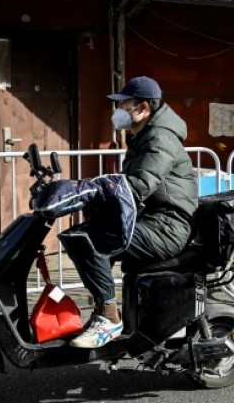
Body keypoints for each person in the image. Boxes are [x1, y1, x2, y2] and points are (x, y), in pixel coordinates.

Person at [62, 76, 198, 348]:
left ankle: (109, 318)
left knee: (90, 241)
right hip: (152, 220)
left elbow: (138, 186)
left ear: (143, 107)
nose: (118, 111)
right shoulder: (143, 136)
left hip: (168, 227)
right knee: (81, 236)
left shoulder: (160, 138)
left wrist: (97, 194)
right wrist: (88, 194)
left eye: (124, 104)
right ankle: (104, 310)